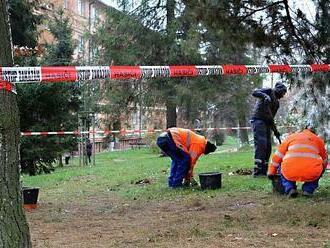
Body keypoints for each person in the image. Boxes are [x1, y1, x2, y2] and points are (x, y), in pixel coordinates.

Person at [268, 125, 328, 198]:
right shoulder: (318, 140)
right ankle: (308, 190)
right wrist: (322, 170)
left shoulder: (291, 137)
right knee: (319, 169)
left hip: (290, 170)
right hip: (311, 171)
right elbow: (325, 160)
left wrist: (271, 172)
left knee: (282, 166)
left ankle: (290, 188)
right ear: (314, 133)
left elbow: (277, 157)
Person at [250, 82, 287, 177]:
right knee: (261, 144)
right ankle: (258, 171)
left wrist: (275, 131)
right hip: (258, 120)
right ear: (279, 90)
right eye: (283, 93)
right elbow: (254, 92)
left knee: (268, 147)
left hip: (267, 123)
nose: (283, 96)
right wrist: (265, 96)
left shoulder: (277, 104)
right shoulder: (269, 91)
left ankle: (264, 170)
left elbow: (271, 118)